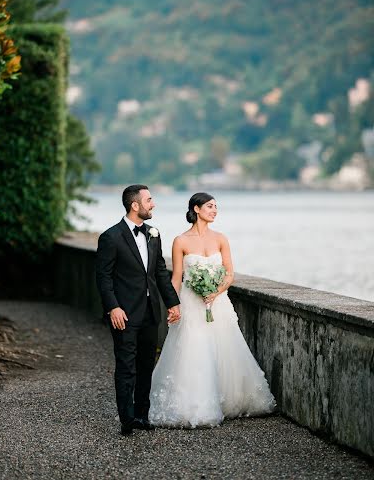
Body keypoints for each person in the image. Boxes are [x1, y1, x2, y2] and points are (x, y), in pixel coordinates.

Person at [149, 192, 276, 427]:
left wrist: (215, 292)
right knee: (194, 349)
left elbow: (229, 273)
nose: (215, 210)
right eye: (210, 206)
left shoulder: (221, 239)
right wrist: (172, 304)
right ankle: (194, 404)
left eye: (216, 207)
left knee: (225, 347)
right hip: (190, 303)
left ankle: (229, 400)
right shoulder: (181, 241)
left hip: (218, 303)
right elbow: (177, 277)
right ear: (196, 209)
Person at [96, 184, 181, 435]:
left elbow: (160, 274)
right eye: (149, 200)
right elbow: (104, 278)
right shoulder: (110, 237)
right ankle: (127, 419)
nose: (153, 204)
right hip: (124, 314)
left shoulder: (154, 234)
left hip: (150, 312)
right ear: (135, 205)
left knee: (146, 365)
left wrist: (173, 303)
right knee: (126, 366)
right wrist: (113, 307)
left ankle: (143, 416)